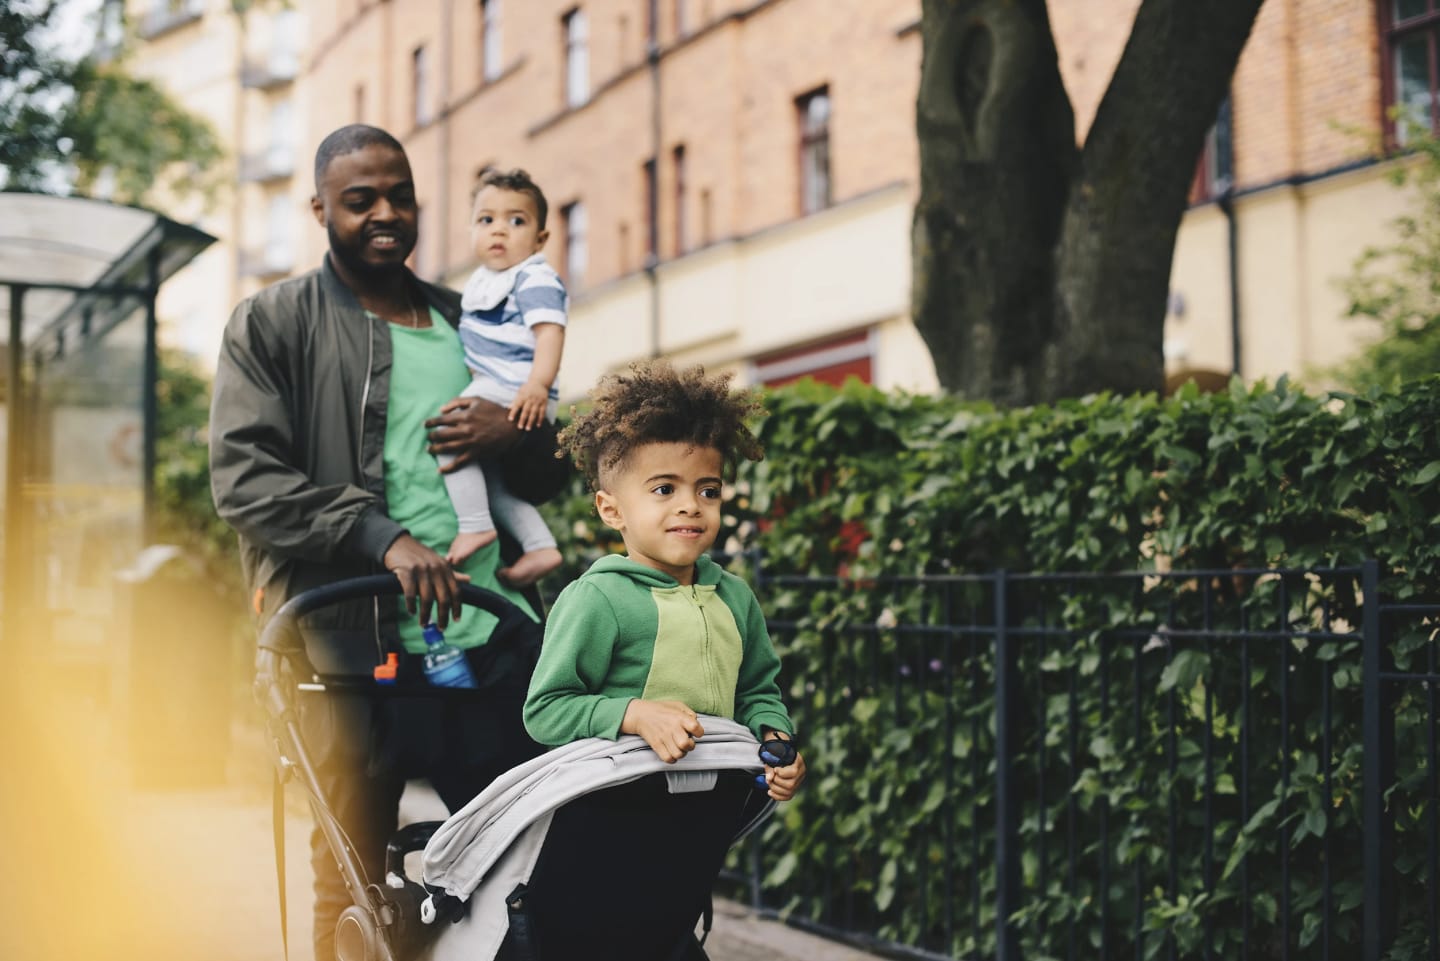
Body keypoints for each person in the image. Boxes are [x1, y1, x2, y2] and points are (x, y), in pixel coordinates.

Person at [208, 123, 559, 961]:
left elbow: (548, 472)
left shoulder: (468, 310)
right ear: (321, 207)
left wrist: (512, 435)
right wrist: (381, 537)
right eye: (360, 199)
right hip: (349, 657)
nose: (385, 213)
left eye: (399, 195)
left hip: (486, 643)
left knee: (520, 873)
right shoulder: (273, 324)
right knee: (353, 887)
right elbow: (244, 479)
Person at [523, 359, 807, 803]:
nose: (691, 506)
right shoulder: (598, 598)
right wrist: (634, 714)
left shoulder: (735, 597)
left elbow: (757, 691)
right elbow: (546, 710)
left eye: (708, 490)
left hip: (710, 809)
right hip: (616, 810)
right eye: (664, 489)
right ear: (610, 509)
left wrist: (777, 739)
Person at [438, 168, 565, 588]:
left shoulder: (534, 275)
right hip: (503, 383)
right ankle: (540, 544)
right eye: (486, 220)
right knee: (491, 481)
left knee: (449, 432)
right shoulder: (483, 282)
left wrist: (537, 384)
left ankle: (474, 525)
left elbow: (549, 331)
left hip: (514, 385)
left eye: (517, 221)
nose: (499, 231)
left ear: (540, 239)